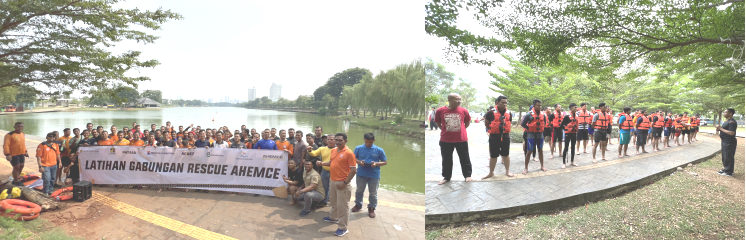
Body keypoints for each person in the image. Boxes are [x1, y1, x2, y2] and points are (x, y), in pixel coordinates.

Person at [316, 133, 357, 237]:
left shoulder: (349, 153)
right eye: (336, 140)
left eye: (340, 140)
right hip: (332, 180)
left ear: (345, 141)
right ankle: (333, 217)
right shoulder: (334, 150)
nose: (338, 142)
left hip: (343, 183)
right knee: (333, 201)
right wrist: (322, 164)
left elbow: (353, 170)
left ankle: (343, 227)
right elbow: (331, 162)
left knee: (343, 206)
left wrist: (345, 183)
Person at [434, 93, 473, 185]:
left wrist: (460, 130)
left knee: (465, 158)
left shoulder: (463, 110)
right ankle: (446, 177)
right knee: (446, 159)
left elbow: (467, 123)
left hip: (461, 139)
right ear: (449, 100)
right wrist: (444, 129)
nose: (459, 101)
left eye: (460, 99)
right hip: (445, 140)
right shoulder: (440, 111)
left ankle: (467, 175)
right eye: (456, 99)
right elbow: (438, 122)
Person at [351, 133, 388, 218]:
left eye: (370, 142)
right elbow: (353, 159)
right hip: (361, 173)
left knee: (373, 192)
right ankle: (358, 205)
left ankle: (371, 207)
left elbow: (385, 162)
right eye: (366, 141)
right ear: (364, 139)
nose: (368, 144)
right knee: (359, 190)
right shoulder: (358, 148)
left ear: (374, 141)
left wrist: (376, 163)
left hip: (374, 174)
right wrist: (360, 162)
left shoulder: (379, 150)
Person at [482, 95, 514, 179]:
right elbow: (487, 123)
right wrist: (491, 130)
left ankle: (507, 171)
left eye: (506, 103)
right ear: (497, 103)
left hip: (505, 136)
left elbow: (509, 122)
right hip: (494, 137)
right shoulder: (490, 112)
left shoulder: (509, 113)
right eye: (502, 103)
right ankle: (491, 172)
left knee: (506, 154)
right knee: (493, 155)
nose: (504, 105)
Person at [521, 99, 547, 174]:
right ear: (534, 106)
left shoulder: (543, 114)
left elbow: (544, 123)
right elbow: (523, 124)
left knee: (540, 151)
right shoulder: (528, 114)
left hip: (540, 134)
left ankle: (542, 166)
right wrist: (529, 128)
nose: (540, 107)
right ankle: (526, 168)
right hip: (531, 134)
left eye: (540, 105)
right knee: (529, 151)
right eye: (538, 105)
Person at [308, 135, 335, 207]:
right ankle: (324, 201)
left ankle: (333, 203)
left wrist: (322, 163)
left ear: (335, 140)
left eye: (332, 139)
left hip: (335, 172)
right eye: (328, 139)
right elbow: (314, 153)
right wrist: (310, 150)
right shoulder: (322, 148)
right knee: (324, 187)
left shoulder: (338, 149)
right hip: (324, 171)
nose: (329, 140)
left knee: (334, 189)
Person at [716, 108, 738, 177]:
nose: (724, 113)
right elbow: (725, 130)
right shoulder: (727, 121)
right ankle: (727, 169)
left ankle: (729, 172)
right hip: (725, 141)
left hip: (729, 142)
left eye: (725, 112)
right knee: (725, 156)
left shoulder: (732, 122)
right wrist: (719, 129)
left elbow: (732, 133)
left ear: (730, 113)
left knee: (728, 156)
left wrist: (721, 129)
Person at [560, 103, 579, 168]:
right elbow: (561, 125)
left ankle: (572, 162)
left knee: (573, 148)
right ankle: (564, 163)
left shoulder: (576, 115)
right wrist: (566, 130)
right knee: (566, 148)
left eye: (576, 107)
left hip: (574, 133)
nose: (576, 108)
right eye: (575, 107)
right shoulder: (567, 116)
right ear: (571, 108)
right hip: (568, 134)